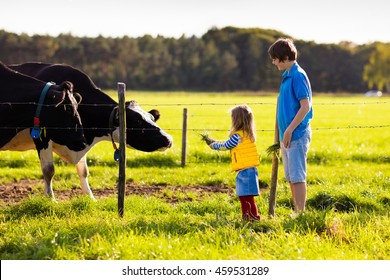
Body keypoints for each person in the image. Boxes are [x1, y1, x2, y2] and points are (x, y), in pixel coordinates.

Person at [268, 38, 313, 214]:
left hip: (296, 134)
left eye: (275, 58)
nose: (273, 62)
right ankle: (296, 211)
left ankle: (300, 213)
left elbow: (305, 106)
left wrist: (289, 130)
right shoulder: (287, 76)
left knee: (298, 176)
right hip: (286, 136)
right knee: (291, 177)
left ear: (285, 57)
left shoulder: (298, 75)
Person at [206, 104, 261, 221]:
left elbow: (226, 145)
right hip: (248, 170)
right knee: (246, 196)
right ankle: (249, 216)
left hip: (245, 170)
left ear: (236, 120)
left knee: (245, 196)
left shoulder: (238, 136)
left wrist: (213, 145)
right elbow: (229, 142)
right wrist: (216, 142)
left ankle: (251, 217)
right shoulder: (247, 134)